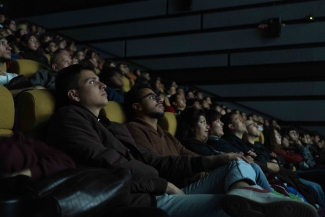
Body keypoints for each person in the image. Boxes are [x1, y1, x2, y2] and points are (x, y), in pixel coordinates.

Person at [46, 64, 316, 217]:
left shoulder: (113, 126)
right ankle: (261, 199)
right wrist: (161, 183)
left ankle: (256, 195)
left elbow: (153, 160)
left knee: (237, 165)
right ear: (73, 94)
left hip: (163, 188)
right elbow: (105, 164)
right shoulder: (69, 118)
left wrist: (210, 159)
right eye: (94, 82)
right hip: (147, 198)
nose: (104, 85)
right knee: (231, 208)